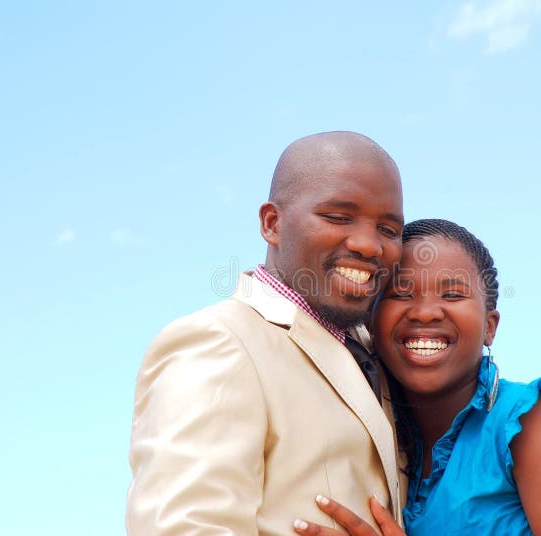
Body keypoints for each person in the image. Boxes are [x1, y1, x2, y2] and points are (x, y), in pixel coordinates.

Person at [127, 131, 406, 535]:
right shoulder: (218, 341)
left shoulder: (371, 352)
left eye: (388, 228)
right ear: (272, 224)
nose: (368, 245)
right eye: (338, 217)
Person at [293, 219, 541, 535]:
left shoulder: (537, 424)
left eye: (453, 294)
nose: (426, 312)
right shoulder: (379, 438)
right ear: (371, 322)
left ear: (490, 327)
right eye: (400, 294)